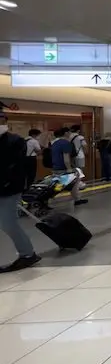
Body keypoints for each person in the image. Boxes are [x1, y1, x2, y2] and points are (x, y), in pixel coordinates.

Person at [0, 114, 41, 272]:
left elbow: (12, 165)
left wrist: (7, 182)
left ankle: (27, 254)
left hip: (9, 188)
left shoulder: (15, 141)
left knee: (8, 223)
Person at [50, 127, 87, 208]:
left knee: (58, 184)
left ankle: (49, 198)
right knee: (75, 182)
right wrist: (69, 168)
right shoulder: (65, 143)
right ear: (66, 133)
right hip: (64, 167)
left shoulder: (54, 143)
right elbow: (66, 158)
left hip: (55, 167)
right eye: (69, 132)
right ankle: (77, 199)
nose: (70, 133)